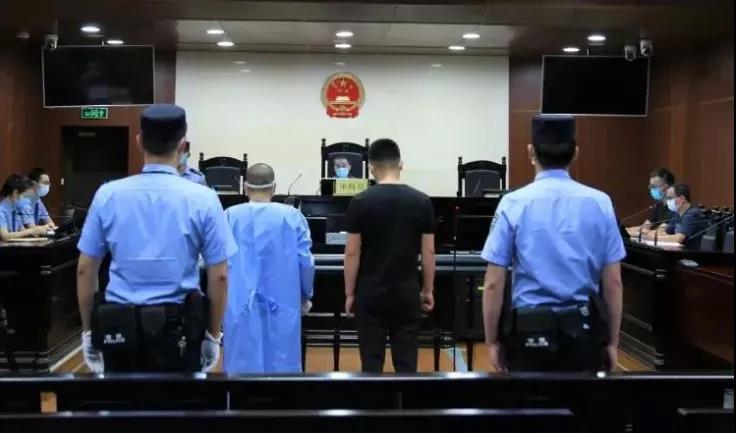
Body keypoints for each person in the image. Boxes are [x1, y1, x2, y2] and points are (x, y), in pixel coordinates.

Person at [76, 104, 237, 373]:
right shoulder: (204, 198)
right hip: (180, 332)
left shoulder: (108, 195)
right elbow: (219, 275)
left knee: (122, 399)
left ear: (139, 142)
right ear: (183, 145)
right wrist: (212, 336)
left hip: (119, 329)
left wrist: (89, 332)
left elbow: (85, 268)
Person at [481, 115, 625, 372]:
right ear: (575, 153)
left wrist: (492, 341)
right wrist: (612, 342)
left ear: (530, 152)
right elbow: (613, 282)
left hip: (529, 332)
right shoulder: (600, 203)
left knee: (531, 399)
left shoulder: (513, 203)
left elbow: (493, 283)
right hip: (583, 331)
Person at [344, 138, 436, 373]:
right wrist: (427, 290)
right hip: (406, 293)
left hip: (370, 293)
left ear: (371, 168)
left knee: (371, 364)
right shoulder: (422, 202)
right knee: (406, 365)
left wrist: (350, 293)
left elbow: (352, 252)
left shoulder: (360, 202)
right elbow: (428, 251)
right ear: (400, 165)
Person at [223, 163, 315, 373]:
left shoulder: (229, 216)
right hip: (283, 304)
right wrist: (305, 295)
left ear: (245, 188)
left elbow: (218, 263)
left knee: (241, 370)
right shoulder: (292, 217)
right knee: (282, 370)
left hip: (240, 304)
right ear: (274, 188)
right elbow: (305, 261)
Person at [646, 183, 708, 250]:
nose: (667, 201)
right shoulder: (677, 214)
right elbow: (665, 232)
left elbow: (678, 239)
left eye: (670, 198)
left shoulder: (692, 214)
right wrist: (651, 233)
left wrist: (654, 237)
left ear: (682, 198)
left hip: (692, 254)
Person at [626, 168, 675, 236]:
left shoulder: (674, 207)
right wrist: (625, 231)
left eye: (654, 186)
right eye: (650, 186)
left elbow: (659, 232)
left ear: (666, 187)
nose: (651, 189)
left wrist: (627, 233)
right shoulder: (658, 206)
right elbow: (644, 227)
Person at [0, 174, 49, 241]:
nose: (26, 201)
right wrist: (31, 231)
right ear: (15, 193)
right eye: (25, 197)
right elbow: (5, 236)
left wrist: (36, 230)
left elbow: (20, 229)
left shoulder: (15, 207)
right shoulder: (1, 210)